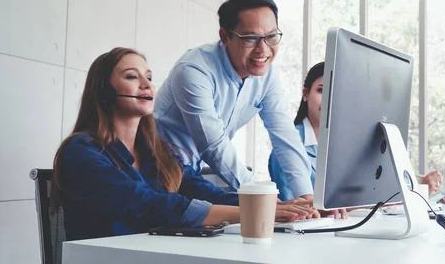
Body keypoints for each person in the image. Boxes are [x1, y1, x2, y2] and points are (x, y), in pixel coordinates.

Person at [50, 47, 315, 241]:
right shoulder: (82, 152)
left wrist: (273, 204)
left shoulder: (157, 151)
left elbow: (205, 192)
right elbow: (148, 205)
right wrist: (252, 212)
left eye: (149, 77)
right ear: (104, 91)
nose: (147, 85)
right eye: (132, 77)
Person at [153, 0, 313, 202]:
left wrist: (307, 196)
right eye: (250, 38)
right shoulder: (193, 70)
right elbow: (214, 146)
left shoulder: (266, 74)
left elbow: (284, 134)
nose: (263, 50)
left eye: (271, 36)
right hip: (155, 170)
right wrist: (262, 197)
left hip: (192, 174)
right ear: (225, 37)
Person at [268, 62, 445, 206]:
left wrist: (429, 193)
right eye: (322, 90)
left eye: (338, 93)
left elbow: (370, 193)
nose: (330, 101)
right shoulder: (286, 148)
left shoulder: (349, 145)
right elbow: (298, 208)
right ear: (306, 94)